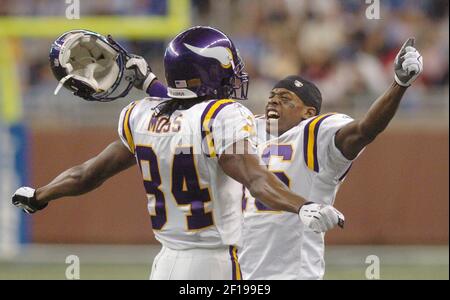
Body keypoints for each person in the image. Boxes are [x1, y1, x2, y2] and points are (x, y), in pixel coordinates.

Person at [12, 26, 345, 280]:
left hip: (166, 262)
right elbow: (256, 179)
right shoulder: (223, 116)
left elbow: (87, 175)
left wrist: (39, 194)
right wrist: (304, 205)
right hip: (214, 263)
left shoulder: (140, 115)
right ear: (211, 73)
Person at [137, 37, 423, 279]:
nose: (274, 100)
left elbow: (364, 130)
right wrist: (151, 84)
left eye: (286, 99)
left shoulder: (315, 134)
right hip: (238, 272)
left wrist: (398, 84)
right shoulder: (247, 125)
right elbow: (193, 114)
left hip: (290, 274)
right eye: (272, 96)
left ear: (308, 113)